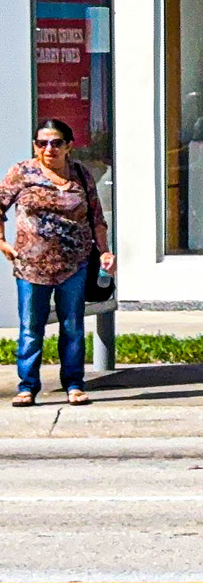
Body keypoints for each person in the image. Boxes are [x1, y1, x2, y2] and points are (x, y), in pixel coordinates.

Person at [1, 119, 113, 407]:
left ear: (68, 146)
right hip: (30, 265)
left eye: (56, 142)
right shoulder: (22, 173)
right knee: (31, 328)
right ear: (35, 146)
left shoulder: (80, 175)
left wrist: (105, 252)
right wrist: (2, 241)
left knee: (73, 326)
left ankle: (74, 385)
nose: (49, 148)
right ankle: (27, 387)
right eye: (42, 143)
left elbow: (96, 218)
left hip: (74, 265)